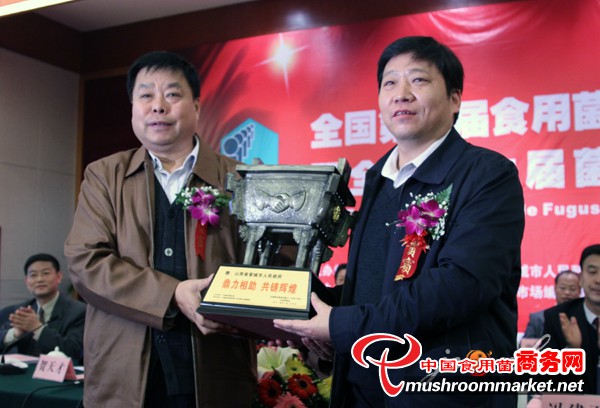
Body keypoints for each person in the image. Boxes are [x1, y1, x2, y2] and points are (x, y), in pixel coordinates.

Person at [274, 36, 525, 407]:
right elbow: (375, 288)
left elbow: (462, 285)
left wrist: (343, 325)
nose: (401, 94)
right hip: (362, 389)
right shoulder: (378, 178)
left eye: (418, 80)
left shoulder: (487, 174)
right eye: (389, 83)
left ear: (455, 99)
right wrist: (309, 309)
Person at [64, 51, 256, 408]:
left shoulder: (240, 178)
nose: (158, 106)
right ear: (133, 108)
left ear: (196, 106)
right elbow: (85, 262)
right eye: (146, 95)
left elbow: (265, 264)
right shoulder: (104, 176)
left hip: (216, 367)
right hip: (122, 373)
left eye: (172, 94)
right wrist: (172, 294)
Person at [0, 253, 85, 363]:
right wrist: (14, 334)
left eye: (46, 273)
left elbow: (74, 351)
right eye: (33, 275)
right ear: (26, 281)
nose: (39, 279)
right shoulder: (17, 311)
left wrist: (38, 329)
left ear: (59, 277)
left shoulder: (78, 312)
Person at [542, 244, 600, 395]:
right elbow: (545, 380)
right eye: (592, 272)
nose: (598, 280)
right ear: (580, 279)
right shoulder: (558, 318)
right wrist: (572, 351)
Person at [521, 270, 580, 345]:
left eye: (572, 289)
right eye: (563, 288)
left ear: (580, 291)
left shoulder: (585, 316)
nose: (567, 292)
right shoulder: (538, 318)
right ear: (555, 289)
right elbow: (525, 344)